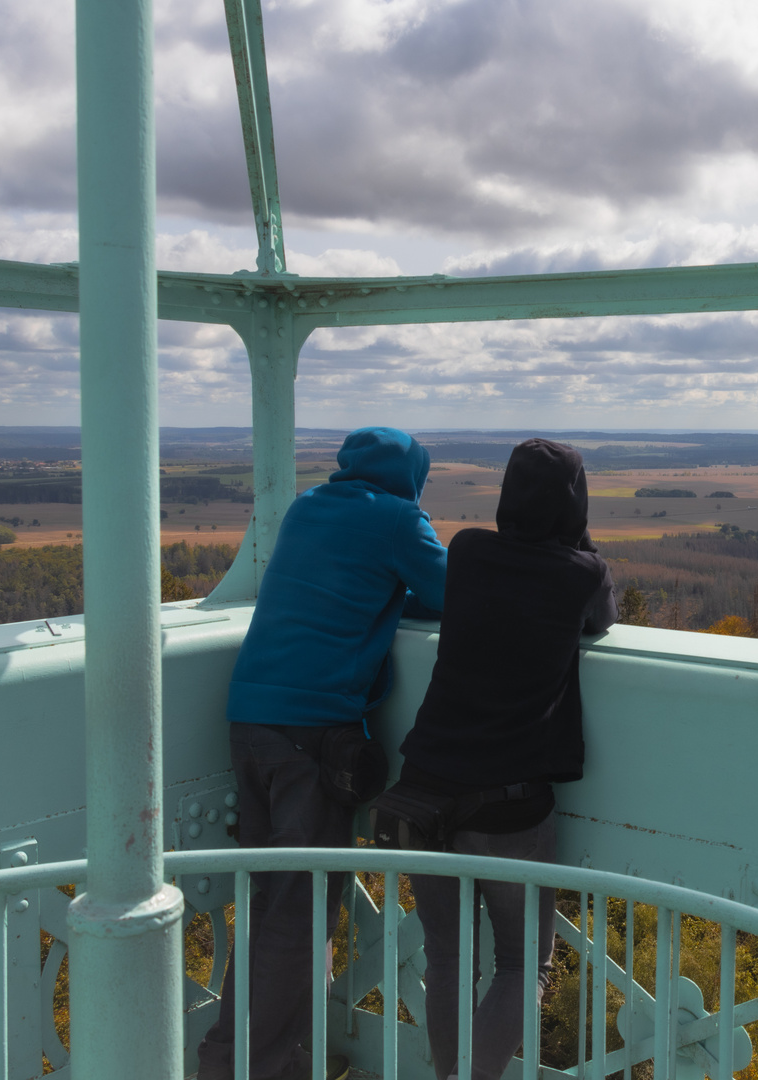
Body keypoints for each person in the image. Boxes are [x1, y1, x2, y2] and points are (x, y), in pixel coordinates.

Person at [197, 427, 448, 1080]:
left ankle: (260, 1055)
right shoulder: (398, 518)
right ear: (410, 476)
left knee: (270, 905)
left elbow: (354, 584)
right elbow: (450, 594)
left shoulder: (308, 506)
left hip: (250, 718)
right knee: (298, 916)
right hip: (309, 735)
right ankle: (246, 1066)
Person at [395, 438, 616, 1080]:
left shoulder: (466, 549)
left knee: (447, 959)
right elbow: (599, 623)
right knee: (523, 965)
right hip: (509, 801)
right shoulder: (582, 573)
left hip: (423, 786)